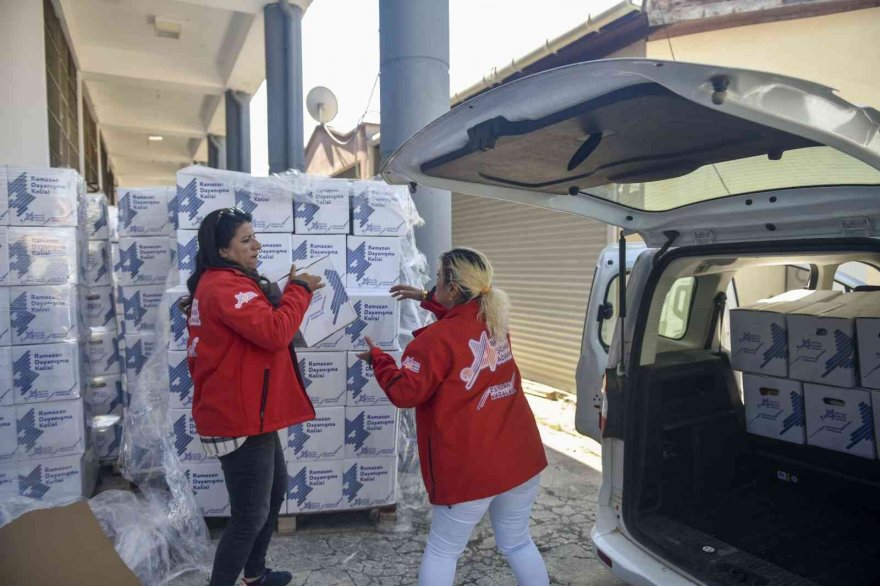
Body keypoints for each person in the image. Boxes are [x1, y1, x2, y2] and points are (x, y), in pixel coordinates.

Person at [357, 247, 550, 586]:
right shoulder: (496, 322)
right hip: (521, 460)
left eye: (436, 281)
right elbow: (460, 327)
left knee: (443, 551)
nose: (433, 286)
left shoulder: (433, 341)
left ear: (452, 288)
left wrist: (379, 360)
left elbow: (406, 393)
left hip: (470, 470)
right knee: (517, 542)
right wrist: (424, 297)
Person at [180, 207, 324, 586]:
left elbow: (259, 325)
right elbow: (275, 332)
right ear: (224, 251)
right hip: (239, 417)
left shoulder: (227, 283)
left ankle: (255, 575)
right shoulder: (227, 287)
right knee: (249, 517)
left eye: (254, 236)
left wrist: (284, 291)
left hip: (251, 412)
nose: (256, 245)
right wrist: (301, 291)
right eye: (246, 240)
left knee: (273, 494)